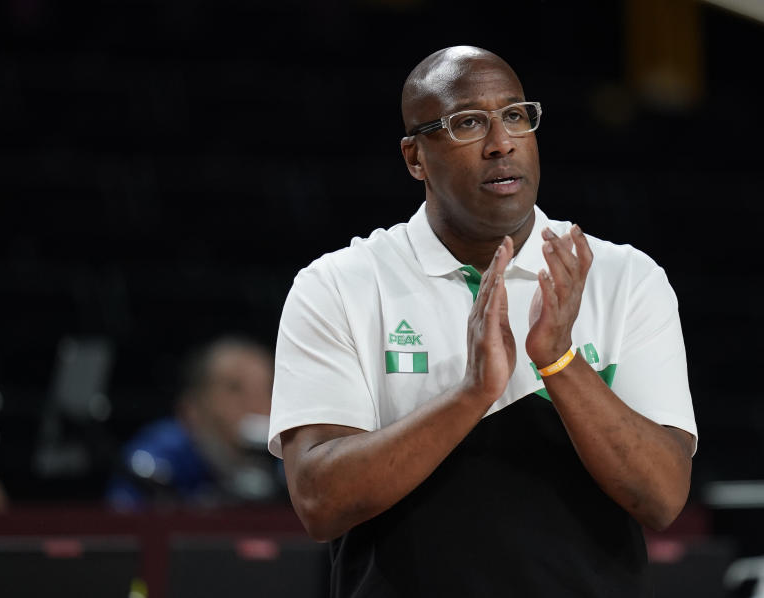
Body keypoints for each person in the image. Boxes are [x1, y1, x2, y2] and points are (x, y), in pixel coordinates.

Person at [269, 46, 698, 597]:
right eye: (467, 123)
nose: (502, 143)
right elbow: (319, 504)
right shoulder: (338, 285)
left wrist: (559, 360)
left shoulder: (625, 277)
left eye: (516, 115)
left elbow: (662, 498)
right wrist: (472, 394)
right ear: (414, 158)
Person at [108, 337, 282, 508]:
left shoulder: (287, 461)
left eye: (267, 389)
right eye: (234, 389)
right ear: (192, 406)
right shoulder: (157, 460)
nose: (256, 404)